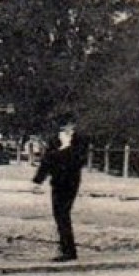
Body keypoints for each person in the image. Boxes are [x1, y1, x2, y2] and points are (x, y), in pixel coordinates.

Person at [33, 112, 90, 262]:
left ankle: (69, 250)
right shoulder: (55, 140)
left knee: (63, 213)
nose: (66, 128)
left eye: (68, 125)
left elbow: (79, 160)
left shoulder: (80, 140)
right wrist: (38, 181)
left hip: (71, 180)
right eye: (63, 126)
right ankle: (66, 247)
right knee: (59, 215)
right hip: (57, 180)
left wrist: (61, 152)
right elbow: (46, 161)